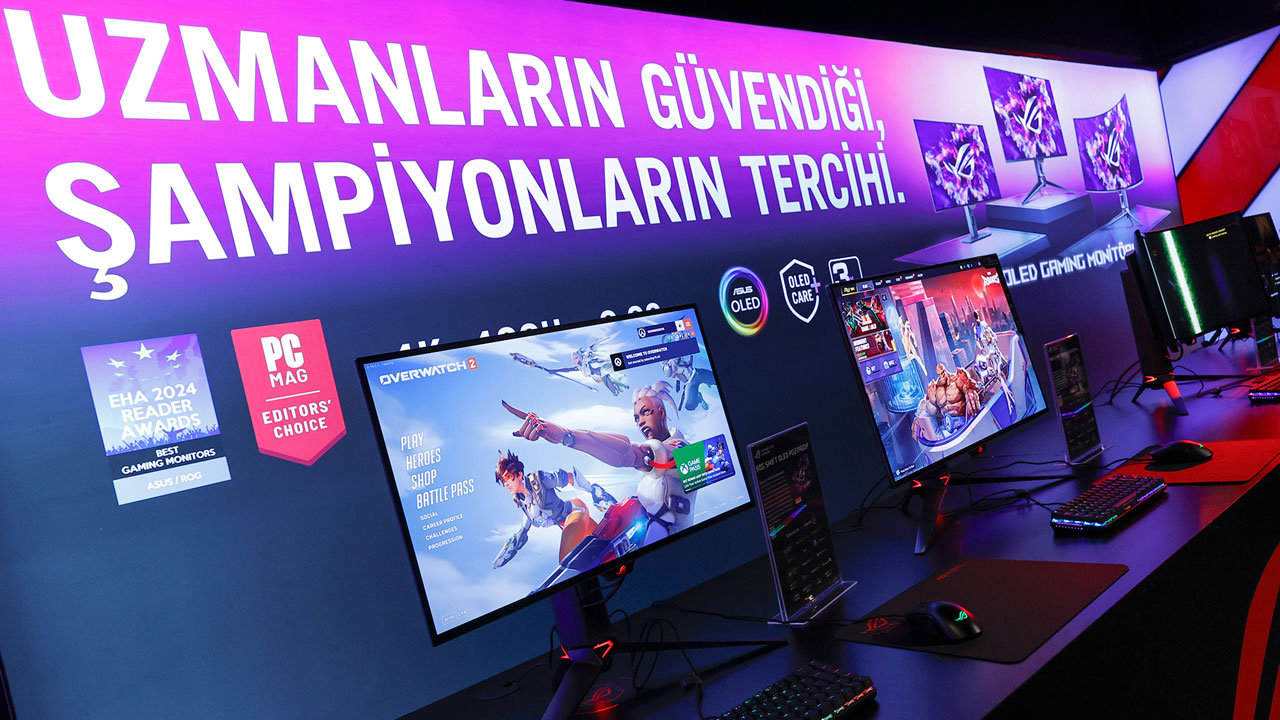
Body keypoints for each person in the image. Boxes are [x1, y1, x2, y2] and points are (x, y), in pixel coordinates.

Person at [502, 381, 694, 545]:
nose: (641, 422)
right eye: (637, 418)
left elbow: (630, 455)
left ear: (661, 412)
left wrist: (568, 436)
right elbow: (628, 449)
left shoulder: (685, 451)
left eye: (645, 413)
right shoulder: (655, 467)